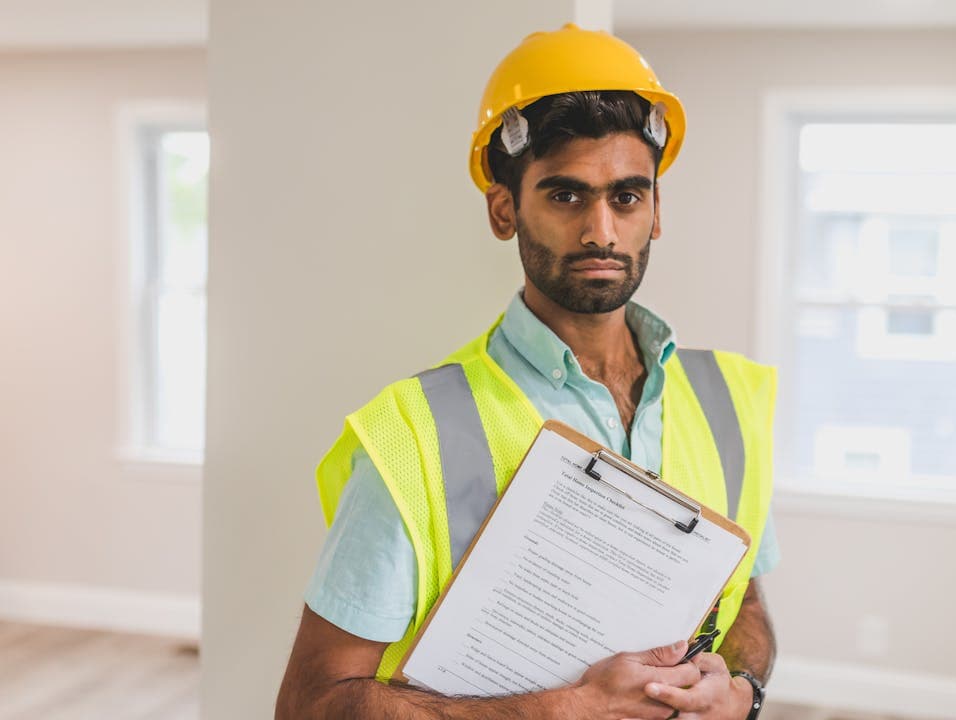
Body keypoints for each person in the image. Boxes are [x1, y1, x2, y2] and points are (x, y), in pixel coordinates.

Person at [276, 23, 778, 720]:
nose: (601, 230)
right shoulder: (414, 432)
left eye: (627, 197)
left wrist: (743, 690)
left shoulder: (729, 400)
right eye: (566, 196)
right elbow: (312, 705)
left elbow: (745, 598)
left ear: (656, 211)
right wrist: (562, 708)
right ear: (505, 208)